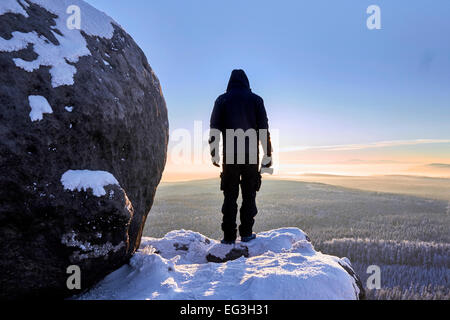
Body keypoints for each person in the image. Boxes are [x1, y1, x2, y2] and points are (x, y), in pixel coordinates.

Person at [209, 69, 272, 244]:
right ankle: (246, 233)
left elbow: (214, 128)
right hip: (251, 154)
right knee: (249, 194)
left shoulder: (222, 100)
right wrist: (268, 154)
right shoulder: (256, 100)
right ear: (246, 82)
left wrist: (214, 152)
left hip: (230, 155)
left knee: (229, 195)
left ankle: (228, 237)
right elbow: (263, 130)